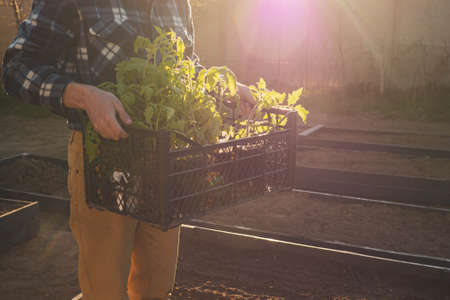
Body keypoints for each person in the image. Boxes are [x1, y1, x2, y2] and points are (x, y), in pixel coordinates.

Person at [1, 0, 254, 299]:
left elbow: (184, 66)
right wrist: (84, 96)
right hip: (102, 157)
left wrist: (220, 85)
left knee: (156, 285)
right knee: (104, 287)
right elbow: (17, 67)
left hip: (164, 160)